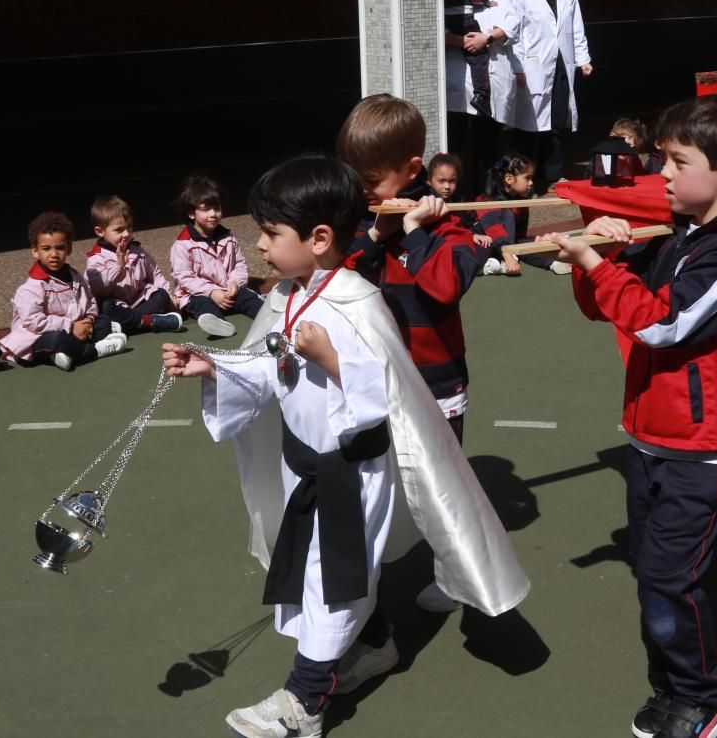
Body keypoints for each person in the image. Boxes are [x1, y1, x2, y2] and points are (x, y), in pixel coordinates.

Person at [163, 154, 527, 738]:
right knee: (335, 570)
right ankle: (378, 643)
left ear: (320, 238)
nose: (258, 244)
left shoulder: (357, 301)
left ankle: (303, 703)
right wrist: (212, 368)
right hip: (306, 465)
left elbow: (383, 392)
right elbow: (269, 364)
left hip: (349, 472)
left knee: (332, 582)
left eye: (271, 233)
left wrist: (332, 361)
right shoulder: (295, 292)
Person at [548, 93, 717, 738]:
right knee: (655, 578)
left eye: (678, 162)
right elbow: (604, 306)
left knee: (668, 578)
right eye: (663, 160)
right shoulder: (682, 232)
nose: (664, 174)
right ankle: (671, 690)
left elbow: (661, 325)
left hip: (704, 446)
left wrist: (592, 261)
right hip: (651, 436)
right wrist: (606, 252)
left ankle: (704, 699)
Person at [338, 94, 481, 618]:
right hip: (376, 375)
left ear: (411, 169)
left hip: (436, 379)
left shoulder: (451, 224)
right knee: (375, 480)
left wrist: (416, 230)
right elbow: (344, 272)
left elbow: (445, 285)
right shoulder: (367, 217)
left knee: (443, 485)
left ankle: (458, 575)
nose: (363, 191)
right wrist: (378, 231)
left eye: (372, 180)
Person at [504, 0, 592, 185]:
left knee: (555, 126)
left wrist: (583, 59)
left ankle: (552, 177)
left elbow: (576, 29)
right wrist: (517, 68)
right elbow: (514, 33)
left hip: (561, 68)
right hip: (531, 69)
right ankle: (517, 180)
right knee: (527, 129)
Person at [1, 211, 128, 371]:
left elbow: (90, 301)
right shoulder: (31, 288)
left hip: (76, 327)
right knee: (56, 340)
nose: (54, 254)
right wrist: (70, 326)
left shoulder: (75, 276)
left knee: (102, 321)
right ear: (35, 251)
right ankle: (94, 351)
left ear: (69, 248)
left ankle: (64, 354)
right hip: (39, 336)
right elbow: (35, 322)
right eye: (46, 249)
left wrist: (88, 319)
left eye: (60, 248)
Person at [444, 0, 515, 194]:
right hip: (457, 86)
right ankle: (457, 203)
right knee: (456, 149)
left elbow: (513, 24)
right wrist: (459, 40)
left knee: (487, 149)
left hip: (491, 87)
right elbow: (434, 31)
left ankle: (486, 202)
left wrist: (488, 37)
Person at [169, 174, 264, 339]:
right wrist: (211, 292)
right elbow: (184, 277)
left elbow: (239, 265)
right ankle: (217, 323)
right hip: (199, 294)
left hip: (228, 291)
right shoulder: (183, 244)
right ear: (192, 213)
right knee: (201, 304)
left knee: (247, 297)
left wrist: (234, 283)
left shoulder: (228, 238)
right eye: (206, 209)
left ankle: (266, 318)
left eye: (217, 208)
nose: (213, 214)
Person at [86, 195, 184, 336]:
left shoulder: (137, 250)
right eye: (119, 230)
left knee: (162, 295)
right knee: (104, 307)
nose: (126, 234)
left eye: (129, 227)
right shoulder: (96, 258)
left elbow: (154, 273)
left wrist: (168, 293)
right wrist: (118, 267)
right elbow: (98, 289)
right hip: (117, 305)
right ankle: (149, 322)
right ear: (100, 232)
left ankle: (130, 324)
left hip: (138, 302)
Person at [473, 153, 563, 276]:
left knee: (526, 246)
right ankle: (490, 263)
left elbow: (518, 238)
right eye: (527, 178)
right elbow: (494, 229)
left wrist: (536, 241)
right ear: (509, 179)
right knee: (508, 215)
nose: (531, 183)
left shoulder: (521, 203)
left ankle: (552, 263)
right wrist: (507, 254)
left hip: (506, 245)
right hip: (484, 242)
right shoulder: (487, 201)